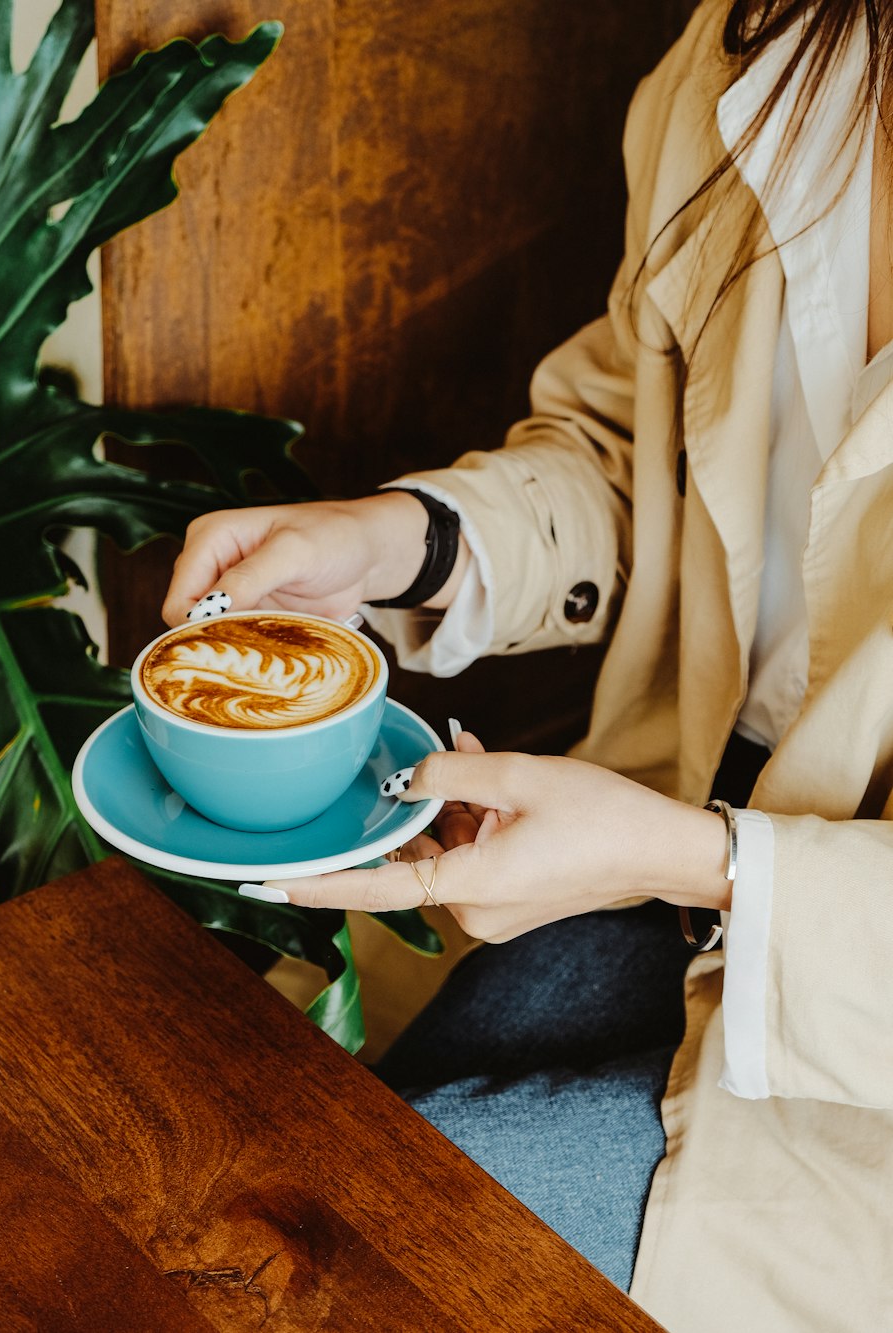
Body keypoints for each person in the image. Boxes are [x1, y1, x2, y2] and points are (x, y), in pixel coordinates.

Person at [161, 1, 893, 1327]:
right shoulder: (761, 52)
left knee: (367, 1256)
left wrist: (694, 859)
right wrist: (407, 540)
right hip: (685, 824)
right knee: (300, 1198)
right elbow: (639, 447)